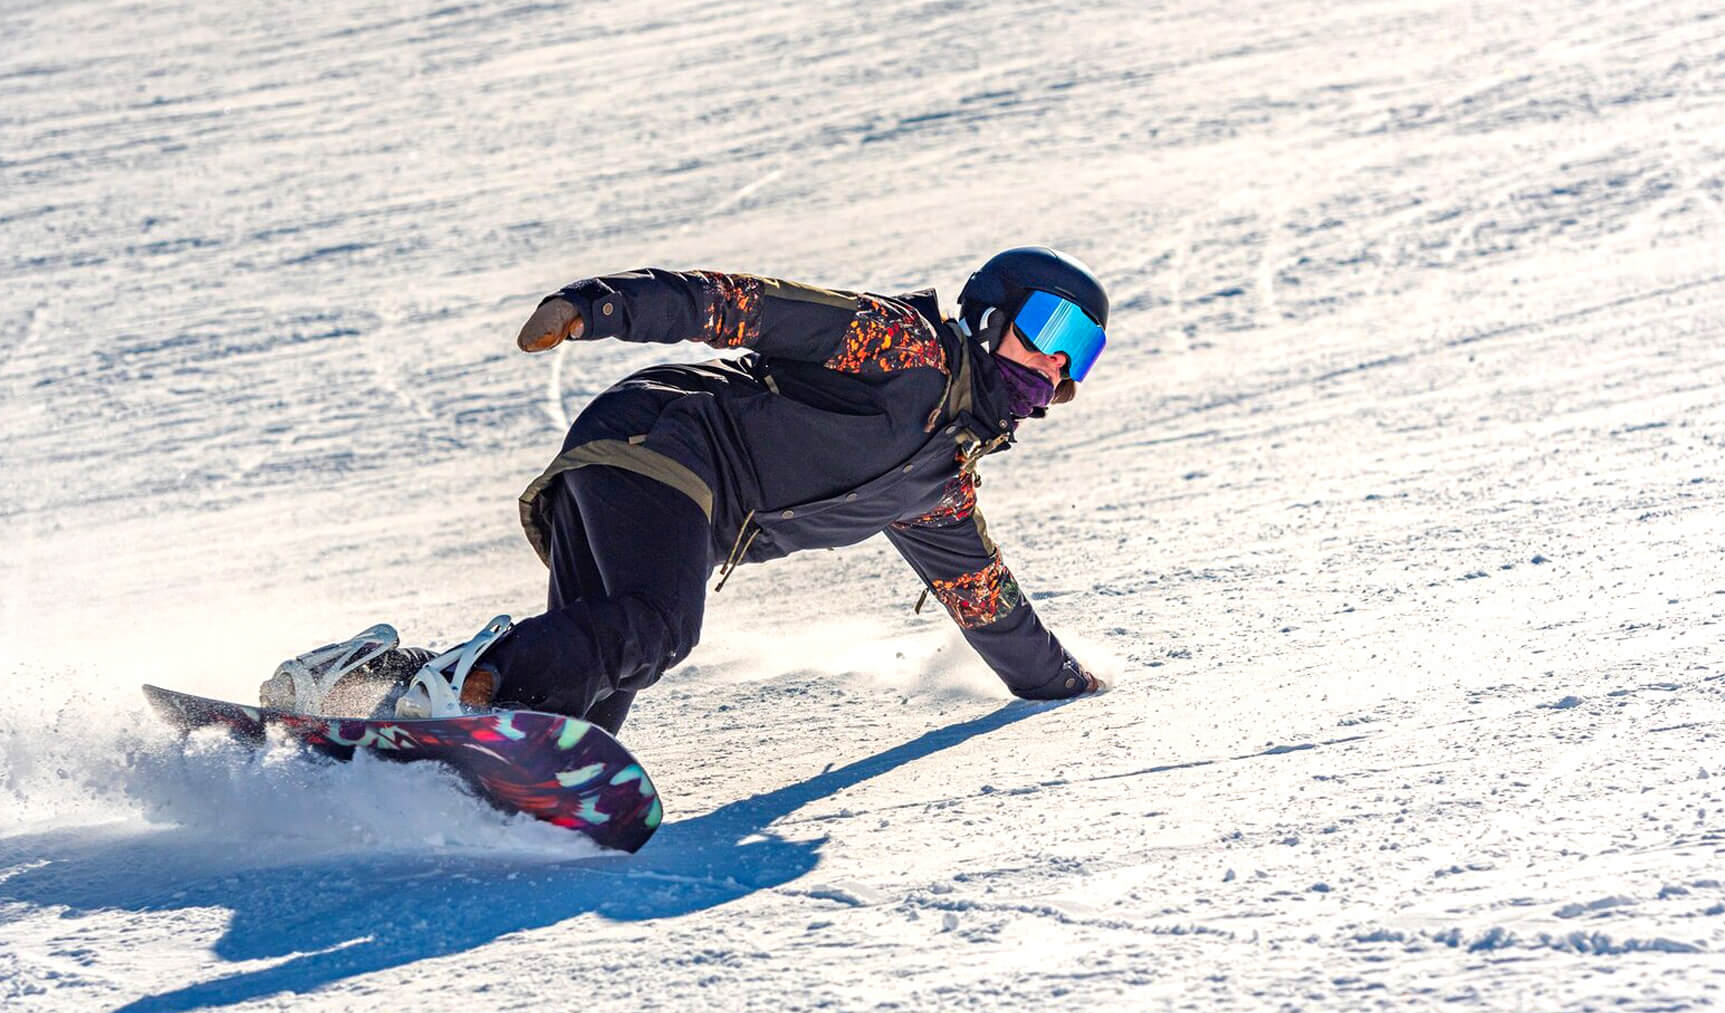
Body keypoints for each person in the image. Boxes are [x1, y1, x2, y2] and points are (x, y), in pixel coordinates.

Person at [263, 247, 1109, 733]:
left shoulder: (939, 487)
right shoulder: (903, 346)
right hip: (662, 443)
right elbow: (741, 307)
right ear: (994, 313)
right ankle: (451, 691)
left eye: (1083, 351)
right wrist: (592, 308)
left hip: (654, 491)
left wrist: (1068, 689)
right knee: (658, 628)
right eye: (1052, 327)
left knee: (579, 717)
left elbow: (990, 607)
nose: (1058, 361)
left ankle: (358, 684)